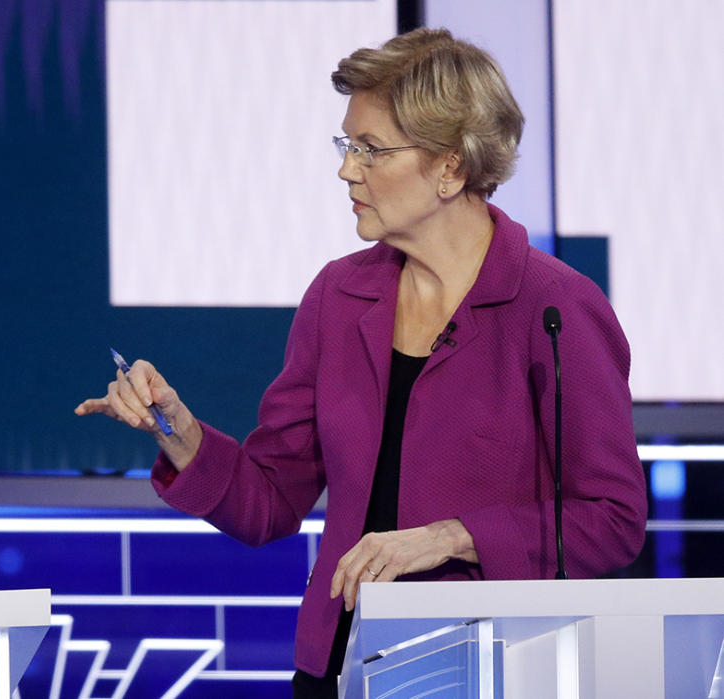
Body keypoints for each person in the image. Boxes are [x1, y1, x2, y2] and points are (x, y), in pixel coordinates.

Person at [75, 28, 647, 697]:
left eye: (371, 150)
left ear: (451, 167)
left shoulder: (554, 307)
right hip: (336, 671)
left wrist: (449, 536)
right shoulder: (338, 298)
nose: (348, 170)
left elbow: (610, 520)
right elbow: (269, 501)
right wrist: (177, 431)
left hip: (482, 672)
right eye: (347, 146)